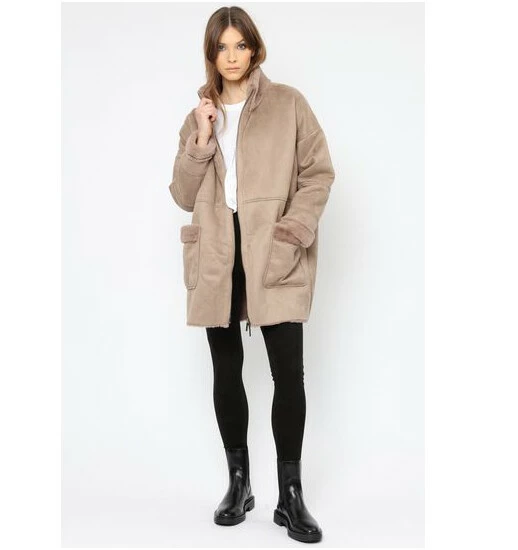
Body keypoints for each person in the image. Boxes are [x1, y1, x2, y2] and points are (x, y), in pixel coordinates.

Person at [169, 6, 335, 544]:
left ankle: (291, 496)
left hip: (272, 253)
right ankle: (238, 485)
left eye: (240, 45)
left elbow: (318, 173)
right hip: (219, 256)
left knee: (289, 374)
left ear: (254, 48)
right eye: (222, 47)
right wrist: (201, 137)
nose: (232, 56)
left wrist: (293, 231)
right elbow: (183, 194)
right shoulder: (199, 116)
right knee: (226, 370)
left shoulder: (288, 104)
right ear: (211, 54)